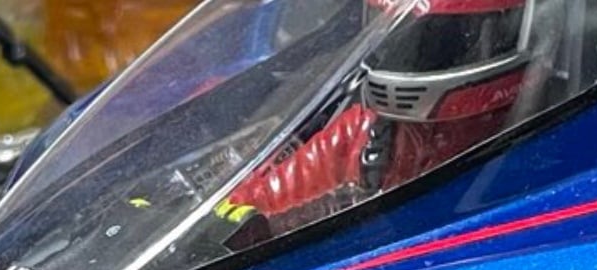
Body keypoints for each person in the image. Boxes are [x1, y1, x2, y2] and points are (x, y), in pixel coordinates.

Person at [222, 0, 539, 233]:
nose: (401, 55)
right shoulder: (376, 132)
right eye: (396, 40)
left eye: (434, 40)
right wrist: (237, 220)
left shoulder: (547, 128)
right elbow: (272, 189)